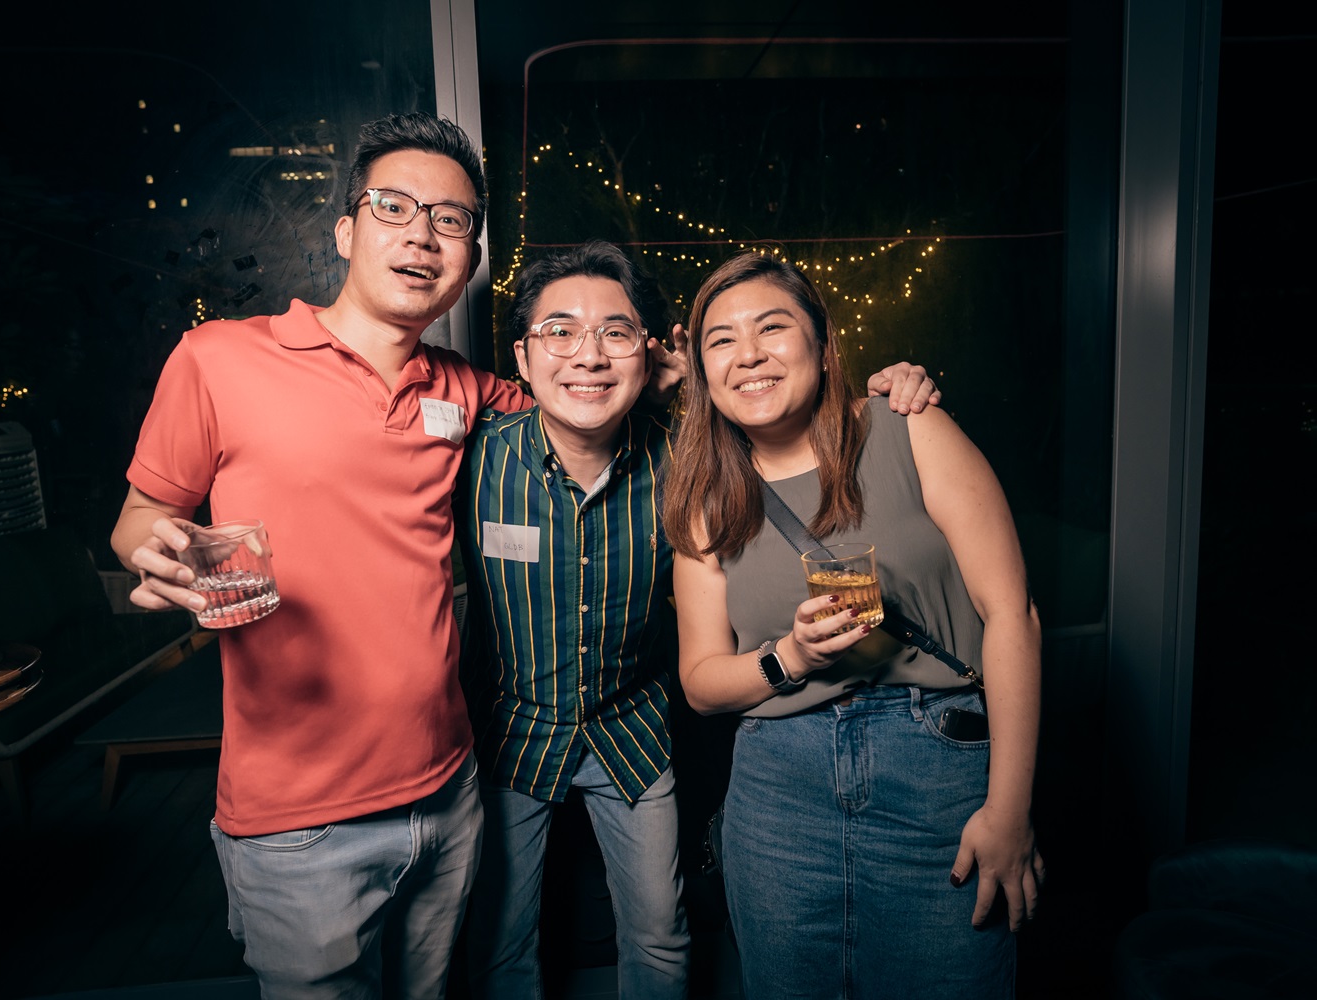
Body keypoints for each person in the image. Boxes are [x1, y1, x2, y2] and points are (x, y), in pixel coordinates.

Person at [112, 109, 937, 998]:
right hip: (334, 797)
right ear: (346, 229)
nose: (421, 234)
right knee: (473, 959)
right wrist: (162, 555)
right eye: (393, 207)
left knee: (531, 962)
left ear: (469, 253)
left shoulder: (471, 396)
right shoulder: (230, 361)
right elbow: (141, 520)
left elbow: (615, 388)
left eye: (451, 219)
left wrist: (870, 392)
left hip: (461, 778)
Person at [458, 242, 943, 998]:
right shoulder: (469, 458)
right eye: (560, 331)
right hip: (510, 731)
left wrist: (895, 385)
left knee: (660, 934)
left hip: (631, 730)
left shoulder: (684, 466)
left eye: (615, 333)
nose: (588, 354)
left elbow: (782, 416)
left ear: (648, 353)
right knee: (498, 941)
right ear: (522, 357)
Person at [663, 251, 1045, 999]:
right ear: (704, 369)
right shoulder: (705, 496)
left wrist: (1010, 810)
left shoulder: (910, 429)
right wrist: (791, 656)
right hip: (779, 792)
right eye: (721, 340)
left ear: (821, 341)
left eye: (773, 327)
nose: (749, 354)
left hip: (937, 767)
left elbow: (1012, 616)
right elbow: (702, 682)